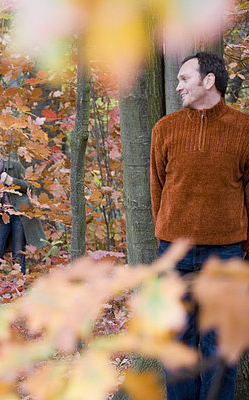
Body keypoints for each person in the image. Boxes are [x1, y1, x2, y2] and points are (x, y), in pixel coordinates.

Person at [150, 51, 249, 399]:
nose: (178, 87)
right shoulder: (165, 129)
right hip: (175, 254)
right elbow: (157, 190)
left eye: (184, 79)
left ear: (209, 81)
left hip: (226, 255)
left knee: (220, 345)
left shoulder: (244, 129)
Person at [0, 144, 47, 274]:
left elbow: (29, 186)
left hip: (18, 214)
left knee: (18, 251)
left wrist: (12, 181)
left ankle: (20, 282)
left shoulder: (14, 165)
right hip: (2, 216)